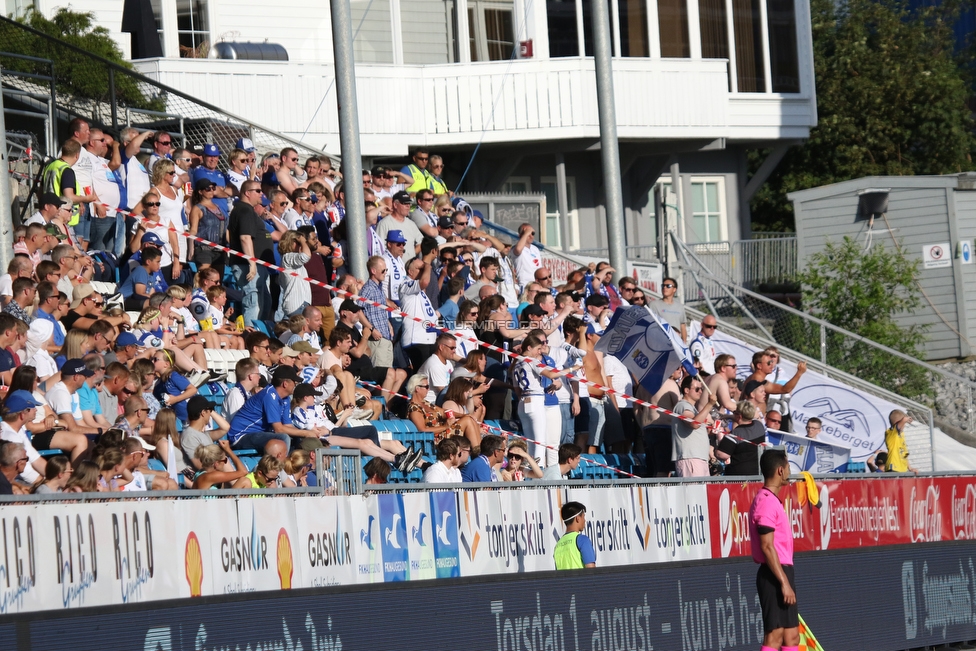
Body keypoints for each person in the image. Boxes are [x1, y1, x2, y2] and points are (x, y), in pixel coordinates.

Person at [749, 449, 799, 651]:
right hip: (773, 574)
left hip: (782, 570)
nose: (789, 472)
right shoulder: (766, 502)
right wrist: (784, 582)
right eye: (788, 467)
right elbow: (767, 546)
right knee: (775, 635)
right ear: (780, 470)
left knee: (791, 636)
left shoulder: (771, 500)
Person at [672, 375, 717, 477]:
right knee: (694, 491)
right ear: (686, 390)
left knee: (701, 492)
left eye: (701, 389)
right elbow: (694, 424)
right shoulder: (682, 405)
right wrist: (709, 404)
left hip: (699, 458)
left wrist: (709, 431)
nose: (700, 391)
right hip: (690, 458)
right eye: (697, 389)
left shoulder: (693, 409)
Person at [716, 401, 766, 476]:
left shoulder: (735, 434)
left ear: (739, 416)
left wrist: (718, 440)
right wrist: (729, 416)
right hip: (759, 473)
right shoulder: (759, 425)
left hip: (739, 476)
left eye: (735, 412)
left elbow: (722, 455)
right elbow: (749, 419)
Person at [553, 502, 596, 569]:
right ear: (577, 518)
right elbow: (592, 572)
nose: (585, 520)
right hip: (581, 579)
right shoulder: (582, 540)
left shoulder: (557, 546)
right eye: (583, 517)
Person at [877, 409, 918, 474]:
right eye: (904, 424)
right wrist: (905, 419)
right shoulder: (891, 432)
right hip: (893, 468)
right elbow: (900, 424)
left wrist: (910, 468)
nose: (904, 425)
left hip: (902, 469)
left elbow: (904, 454)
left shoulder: (901, 435)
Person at [650, 277, 687, 343]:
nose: (665, 288)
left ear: (674, 289)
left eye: (668, 286)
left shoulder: (680, 306)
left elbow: (682, 326)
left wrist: (684, 343)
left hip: (676, 343)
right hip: (661, 342)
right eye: (663, 286)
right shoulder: (653, 305)